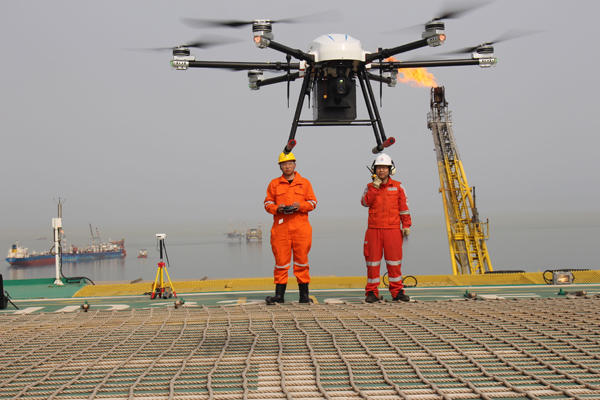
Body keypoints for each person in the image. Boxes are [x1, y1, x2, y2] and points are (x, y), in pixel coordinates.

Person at [264, 152, 317, 304]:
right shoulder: (274, 184)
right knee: (280, 262)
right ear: (280, 166)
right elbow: (267, 203)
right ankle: (279, 296)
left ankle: (304, 296)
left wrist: (300, 206)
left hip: (301, 228)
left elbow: (313, 202)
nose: (287, 166)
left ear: (295, 165)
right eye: (284, 164)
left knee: (302, 262)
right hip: (281, 229)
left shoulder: (304, 183)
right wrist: (277, 208)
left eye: (290, 164)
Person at [361, 153, 412, 303]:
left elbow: (404, 208)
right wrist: (375, 188)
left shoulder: (398, 187)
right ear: (374, 170)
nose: (381, 170)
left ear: (390, 169)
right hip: (374, 230)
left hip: (393, 230)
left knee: (394, 262)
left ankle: (397, 292)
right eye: (379, 168)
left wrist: (406, 225)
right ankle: (372, 292)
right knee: (372, 263)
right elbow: (364, 202)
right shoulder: (369, 187)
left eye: (384, 168)